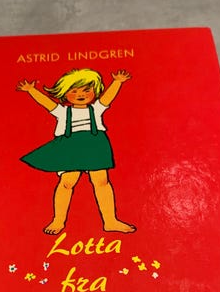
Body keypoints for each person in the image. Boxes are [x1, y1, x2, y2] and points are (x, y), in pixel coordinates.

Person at [17, 68, 136, 235]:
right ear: (64, 93)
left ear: (95, 90)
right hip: (70, 147)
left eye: (86, 90)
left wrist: (117, 82)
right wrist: (31, 90)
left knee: (102, 181)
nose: (81, 94)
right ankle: (58, 220)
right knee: (67, 182)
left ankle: (110, 221)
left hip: (95, 145)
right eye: (74, 91)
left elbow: (108, 98)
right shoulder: (63, 111)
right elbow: (46, 103)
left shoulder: (96, 109)